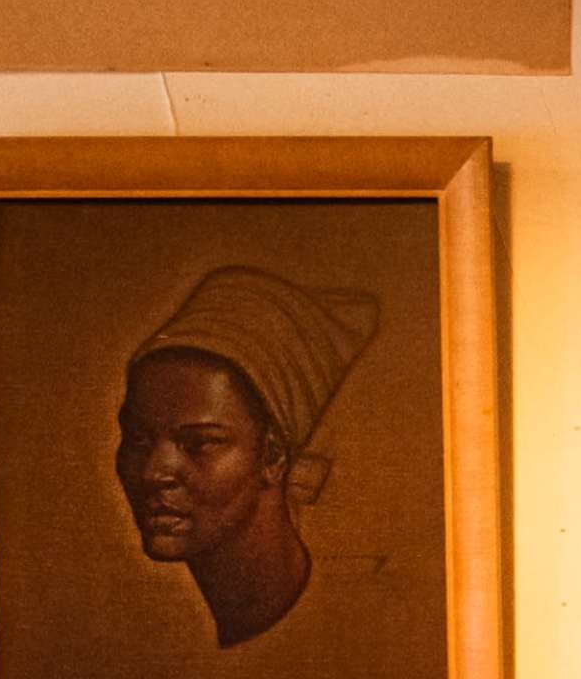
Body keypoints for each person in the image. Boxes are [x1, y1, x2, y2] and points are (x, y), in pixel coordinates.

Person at [112, 265, 380, 648]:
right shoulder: (148, 644)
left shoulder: (357, 631)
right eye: (138, 440)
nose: (154, 473)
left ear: (272, 457)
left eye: (199, 444)